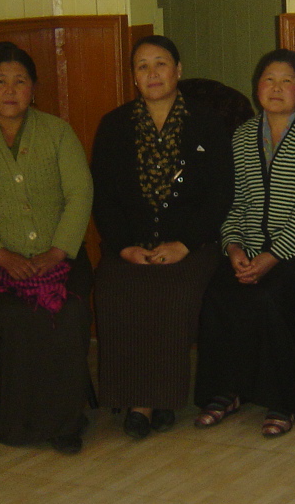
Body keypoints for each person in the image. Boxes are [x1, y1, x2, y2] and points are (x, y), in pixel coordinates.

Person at [0, 42, 95, 454]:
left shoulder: (58, 132)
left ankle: (64, 422)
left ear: (34, 89)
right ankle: (8, 421)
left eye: (20, 82)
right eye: (0, 82)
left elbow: (80, 194)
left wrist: (57, 251)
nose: (10, 91)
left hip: (59, 261)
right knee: (9, 317)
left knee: (64, 314)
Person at [91, 35, 234, 439]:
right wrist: (124, 246)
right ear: (133, 77)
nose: (152, 73)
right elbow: (102, 196)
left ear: (178, 71)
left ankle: (156, 401)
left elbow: (221, 193)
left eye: (161, 64)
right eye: (142, 66)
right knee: (117, 287)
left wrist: (183, 244)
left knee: (171, 291)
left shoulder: (207, 123)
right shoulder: (115, 125)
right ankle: (139, 399)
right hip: (131, 243)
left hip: (193, 243)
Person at [193, 50, 295, 437]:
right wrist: (235, 249)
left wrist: (274, 257)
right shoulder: (242, 136)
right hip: (252, 248)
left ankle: (285, 399)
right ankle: (227, 390)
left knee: (273, 296)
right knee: (218, 293)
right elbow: (234, 201)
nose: (276, 88)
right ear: (257, 87)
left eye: (286, 80)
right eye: (268, 80)